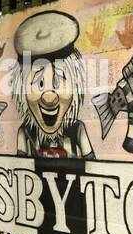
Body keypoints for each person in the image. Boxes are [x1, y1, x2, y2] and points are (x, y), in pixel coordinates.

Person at [11, 11, 95, 158]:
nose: (49, 98)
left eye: (58, 81)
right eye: (39, 83)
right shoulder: (25, 134)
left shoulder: (78, 130)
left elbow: (94, 168)